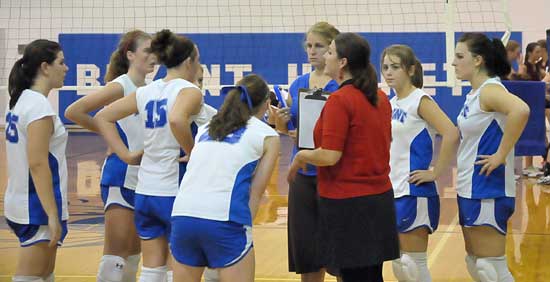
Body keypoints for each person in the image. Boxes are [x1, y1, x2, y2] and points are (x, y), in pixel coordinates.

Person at [288, 32, 399, 282]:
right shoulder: (380, 97)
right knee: (371, 276)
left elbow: (330, 155)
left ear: (342, 63)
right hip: (378, 200)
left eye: (329, 51)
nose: (324, 56)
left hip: (348, 204)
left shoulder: (340, 99)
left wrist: (300, 157)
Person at [94, 29, 204, 282]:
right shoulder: (189, 90)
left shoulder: (147, 90)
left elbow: (103, 116)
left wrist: (127, 156)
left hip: (145, 191)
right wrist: (193, 152)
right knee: (179, 268)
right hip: (172, 191)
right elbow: (177, 120)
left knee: (152, 268)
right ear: (189, 61)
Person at [169, 74, 280, 282]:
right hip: (225, 220)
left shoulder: (205, 128)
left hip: (182, 215)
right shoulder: (267, 135)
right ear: (266, 104)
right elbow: (254, 194)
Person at [64, 30, 155, 282]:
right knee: (115, 256)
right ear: (130, 54)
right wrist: (113, 139)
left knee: (133, 256)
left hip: (143, 179)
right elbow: (74, 111)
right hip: (120, 176)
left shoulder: (148, 89)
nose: (153, 55)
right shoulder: (121, 85)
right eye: (147, 50)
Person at [453, 32, 530, 282]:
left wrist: (500, 154)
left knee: (491, 269)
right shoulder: (475, 94)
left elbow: (521, 110)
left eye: (459, 56)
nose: (453, 62)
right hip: (470, 187)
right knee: (476, 264)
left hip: (489, 189)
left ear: (478, 60)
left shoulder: (490, 90)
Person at [381, 44, 459, 282]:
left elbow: (451, 132)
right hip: (391, 189)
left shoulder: (420, 100)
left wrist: (436, 172)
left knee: (413, 264)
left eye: (395, 67)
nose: (388, 73)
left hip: (414, 191)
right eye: (385, 67)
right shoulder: (390, 103)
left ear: (411, 69)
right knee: (399, 263)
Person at [274, 21, 339, 282]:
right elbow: (289, 130)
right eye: (309, 46)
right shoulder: (298, 84)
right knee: (307, 252)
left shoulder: (342, 85)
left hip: (333, 174)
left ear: (333, 48)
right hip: (302, 174)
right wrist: (281, 120)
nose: (312, 51)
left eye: (319, 46)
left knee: (338, 251)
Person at [4, 39, 69, 282]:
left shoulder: (22, 101)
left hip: (24, 200)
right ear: (45, 67)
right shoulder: (38, 106)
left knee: (44, 274)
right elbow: (38, 162)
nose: (66, 68)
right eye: (61, 63)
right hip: (36, 207)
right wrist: (52, 214)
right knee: (31, 277)